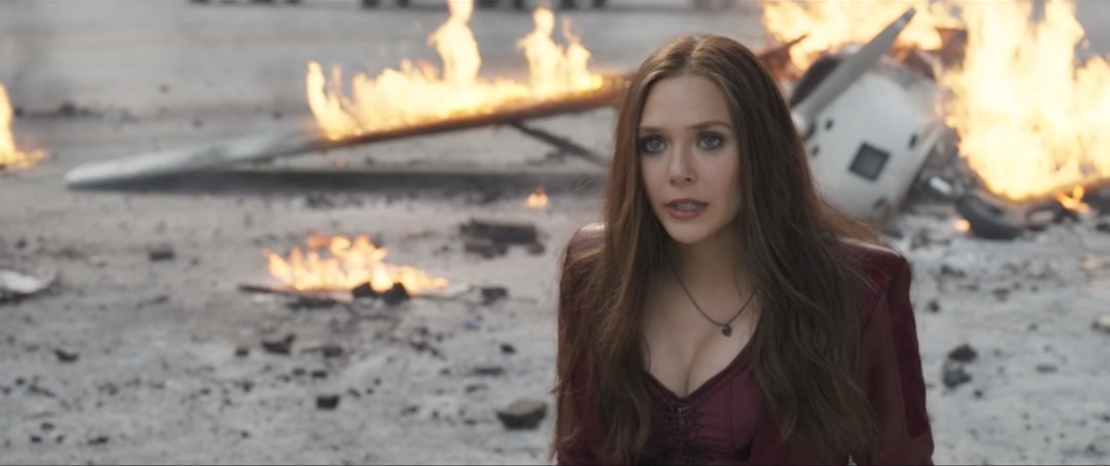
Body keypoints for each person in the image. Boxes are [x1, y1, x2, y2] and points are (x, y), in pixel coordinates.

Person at [551, 34, 933, 465]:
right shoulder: (593, 272)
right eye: (654, 144)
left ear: (761, 149)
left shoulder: (862, 287)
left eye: (710, 140)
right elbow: (578, 452)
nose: (678, 171)